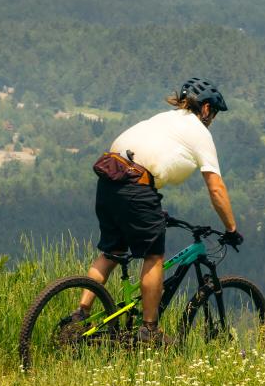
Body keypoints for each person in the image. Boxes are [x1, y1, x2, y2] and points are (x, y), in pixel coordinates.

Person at [73, 77, 243, 345]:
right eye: (214, 114)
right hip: (137, 189)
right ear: (206, 108)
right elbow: (216, 188)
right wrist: (232, 229)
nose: (212, 120)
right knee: (153, 257)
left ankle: (79, 315)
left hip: (109, 183)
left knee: (111, 252)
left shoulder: (163, 119)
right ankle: (149, 330)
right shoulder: (199, 132)